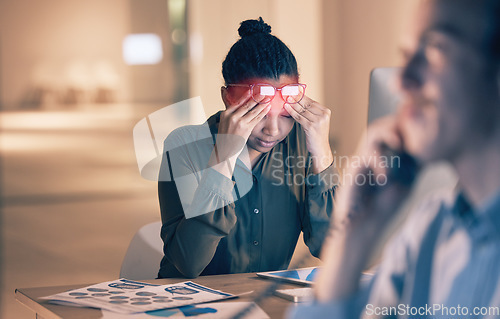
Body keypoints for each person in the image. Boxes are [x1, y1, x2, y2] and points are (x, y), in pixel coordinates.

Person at [289, 0, 500, 318]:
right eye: (405, 57)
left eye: (435, 50)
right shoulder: (429, 229)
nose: (402, 82)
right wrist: (353, 236)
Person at [157, 17, 337, 279]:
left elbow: (333, 250)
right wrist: (223, 159)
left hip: (263, 304)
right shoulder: (183, 146)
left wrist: (323, 155)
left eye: (286, 115)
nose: (273, 130)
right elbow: (189, 262)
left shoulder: (301, 142)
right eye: (258, 113)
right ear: (227, 99)